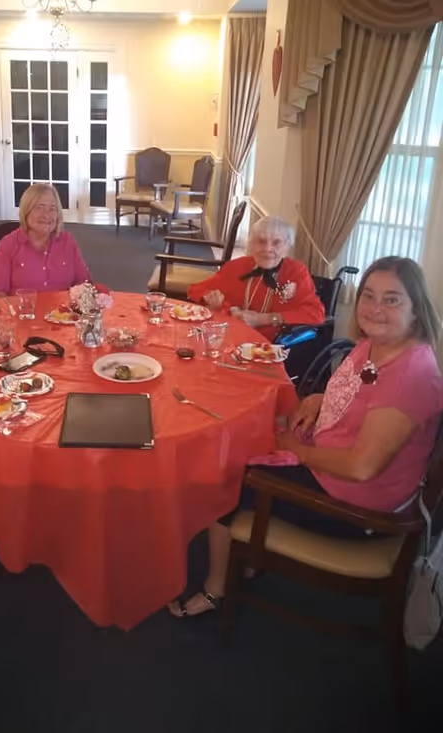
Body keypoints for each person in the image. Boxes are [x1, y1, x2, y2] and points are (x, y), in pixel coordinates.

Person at [170, 256, 443, 617]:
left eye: (392, 299)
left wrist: (293, 448)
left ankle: (215, 588)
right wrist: (321, 398)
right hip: (332, 465)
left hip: (356, 508)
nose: (375, 308)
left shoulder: (410, 377)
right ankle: (247, 556)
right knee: (245, 435)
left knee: (226, 477)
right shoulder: (378, 345)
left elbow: (361, 467)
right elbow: (363, 393)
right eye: (369, 295)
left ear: (416, 309)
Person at [187, 216, 325, 340]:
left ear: (287, 247)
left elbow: (316, 314)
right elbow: (196, 289)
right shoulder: (237, 266)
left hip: (272, 347)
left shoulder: (296, 272)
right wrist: (214, 301)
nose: (268, 249)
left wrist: (264, 319)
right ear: (251, 244)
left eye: (276, 242)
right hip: (229, 337)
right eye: (261, 241)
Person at [0, 183, 92, 298]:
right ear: (26, 211)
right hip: (22, 309)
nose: (46, 215)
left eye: (52, 209)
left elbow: (84, 284)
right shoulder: (8, 244)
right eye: (39, 208)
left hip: (63, 309)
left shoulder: (68, 242)